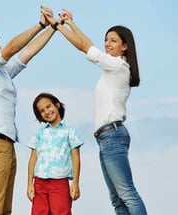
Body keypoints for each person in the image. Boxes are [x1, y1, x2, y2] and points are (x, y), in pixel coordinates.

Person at [43, 7, 147, 214]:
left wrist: (61, 26)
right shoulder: (111, 67)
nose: (107, 44)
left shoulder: (118, 66)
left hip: (112, 135)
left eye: (114, 40)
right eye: (106, 39)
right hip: (105, 137)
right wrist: (68, 23)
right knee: (117, 199)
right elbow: (87, 46)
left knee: (126, 193)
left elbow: (84, 46)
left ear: (125, 46)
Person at [0, 6, 57, 215]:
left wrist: (53, 28)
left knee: (4, 211)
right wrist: (39, 25)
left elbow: (27, 52)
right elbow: (11, 49)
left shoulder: (3, 73)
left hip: (7, 144)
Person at [27, 92, 84, 215]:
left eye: (48, 106)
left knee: (61, 212)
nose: (46, 111)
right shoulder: (39, 133)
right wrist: (29, 184)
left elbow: (76, 157)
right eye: (42, 111)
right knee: (38, 212)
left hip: (60, 182)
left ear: (57, 105)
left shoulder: (70, 131)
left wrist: (75, 183)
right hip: (39, 183)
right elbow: (32, 159)